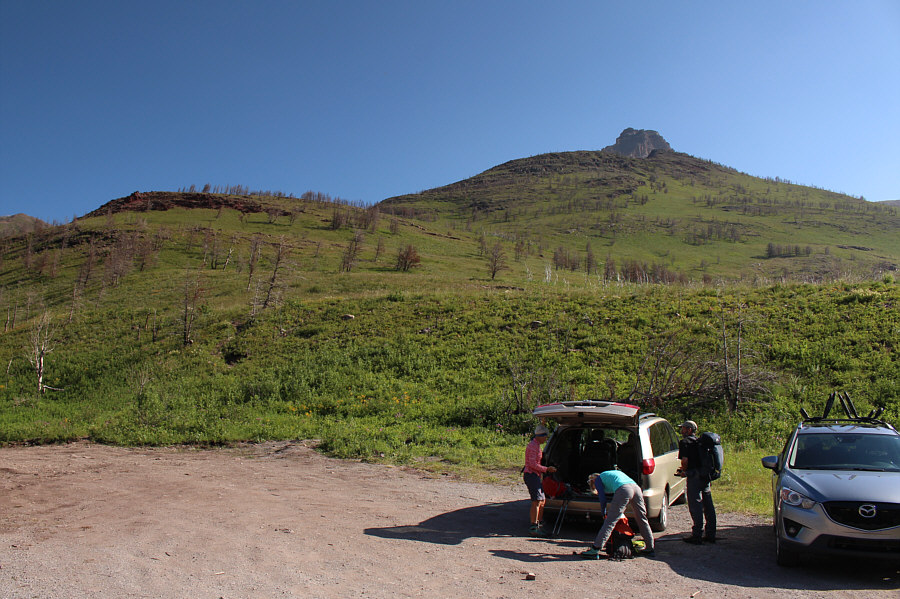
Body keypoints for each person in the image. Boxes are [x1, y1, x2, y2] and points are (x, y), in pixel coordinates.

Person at [579, 469, 655, 558]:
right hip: (636, 488)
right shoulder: (610, 475)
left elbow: (602, 499)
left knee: (610, 521)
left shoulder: (598, 480)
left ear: (593, 481)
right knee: (642, 519)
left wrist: (603, 512)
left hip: (624, 489)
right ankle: (650, 549)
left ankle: (595, 549)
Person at [677, 420, 717, 544]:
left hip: (694, 476)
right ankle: (711, 533)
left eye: (683, 428)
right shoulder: (700, 442)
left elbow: (685, 460)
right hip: (705, 475)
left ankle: (697, 535)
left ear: (689, 430)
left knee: (695, 505)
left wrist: (683, 471)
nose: (682, 430)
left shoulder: (685, 442)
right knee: (708, 504)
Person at [523, 424, 556, 537]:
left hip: (535, 475)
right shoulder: (533, 446)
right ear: (540, 436)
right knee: (536, 501)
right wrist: (547, 469)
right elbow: (532, 464)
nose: (546, 439)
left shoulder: (536, 445)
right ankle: (533, 526)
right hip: (531, 475)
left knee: (542, 500)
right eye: (545, 436)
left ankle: (539, 523)